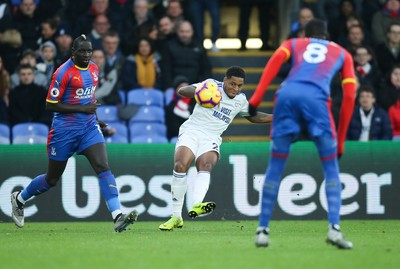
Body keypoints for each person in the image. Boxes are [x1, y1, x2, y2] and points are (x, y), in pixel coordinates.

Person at [10, 34, 138, 232]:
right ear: (73, 52)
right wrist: (82, 110)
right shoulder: (63, 73)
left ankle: (117, 216)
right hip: (64, 132)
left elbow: (87, 100)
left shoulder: (94, 69)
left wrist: (95, 119)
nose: (87, 54)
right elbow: (50, 104)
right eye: (82, 51)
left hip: (88, 128)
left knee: (103, 167)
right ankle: (19, 198)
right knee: (51, 179)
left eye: (89, 51)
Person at [248, 19, 357, 249]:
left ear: (306, 35)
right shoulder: (343, 53)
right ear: (326, 36)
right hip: (316, 102)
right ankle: (334, 229)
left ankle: (262, 230)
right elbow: (349, 96)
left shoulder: (294, 43)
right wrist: (341, 141)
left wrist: (256, 99)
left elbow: (274, 62)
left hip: (286, 97)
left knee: (275, 167)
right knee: (331, 168)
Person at [158, 66, 273, 231]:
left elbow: (254, 116)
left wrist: (277, 117)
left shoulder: (240, 100)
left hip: (212, 137)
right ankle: (176, 216)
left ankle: (197, 204)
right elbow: (183, 91)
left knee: (206, 165)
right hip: (192, 130)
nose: (235, 88)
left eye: (239, 85)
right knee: (180, 165)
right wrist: (200, 93)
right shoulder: (211, 85)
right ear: (225, 80)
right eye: (232, 84)